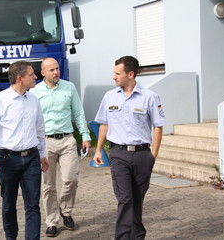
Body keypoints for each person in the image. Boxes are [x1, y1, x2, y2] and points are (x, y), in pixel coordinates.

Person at [93, 56, 165, 240]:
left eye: (118, 73)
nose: (114, 77)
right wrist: (98, 150)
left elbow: (158, 126)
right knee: (125, 200)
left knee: (137, 200)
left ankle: (138, 236)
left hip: (142, 155)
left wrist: (153, 155)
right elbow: (103, 124)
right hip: (119, 155)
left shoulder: (150, 97)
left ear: (130, 74)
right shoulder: (109, 96)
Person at [0, 61, 49, 240]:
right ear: (19, 78)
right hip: (6, 159)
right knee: (9, 204)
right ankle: (11, 237)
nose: (36, 77)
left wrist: (43, 155)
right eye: (32, 74)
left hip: (32, 158)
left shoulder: (33, 100)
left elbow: (40, 130)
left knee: (33, 205)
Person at [30, 57, 91, 237]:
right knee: (48, 185)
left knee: (71, 179)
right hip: (45, 142)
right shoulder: (35, 91)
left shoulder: (69, 87)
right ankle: (52, 221)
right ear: (43, 73)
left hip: (67, 140)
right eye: (51, 70)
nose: (56, 72)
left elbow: (78, 112)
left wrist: (86, 136)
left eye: (57, 69)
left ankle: (66, 211)